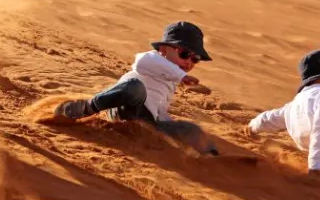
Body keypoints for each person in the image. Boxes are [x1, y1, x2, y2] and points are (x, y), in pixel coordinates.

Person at [52, 21, 219, 156]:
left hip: (144, 120)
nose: (189, 61)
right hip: (123, 105)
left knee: (191, 130)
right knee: (135, 88)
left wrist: (172, 128)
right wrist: (181, 76)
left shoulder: (170, 81)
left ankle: (213, 158)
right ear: (163, 50)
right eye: (184, 54)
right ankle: (85, 108)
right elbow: (143, 63)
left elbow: (159, 108)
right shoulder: (151, 59)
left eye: (195, 58)